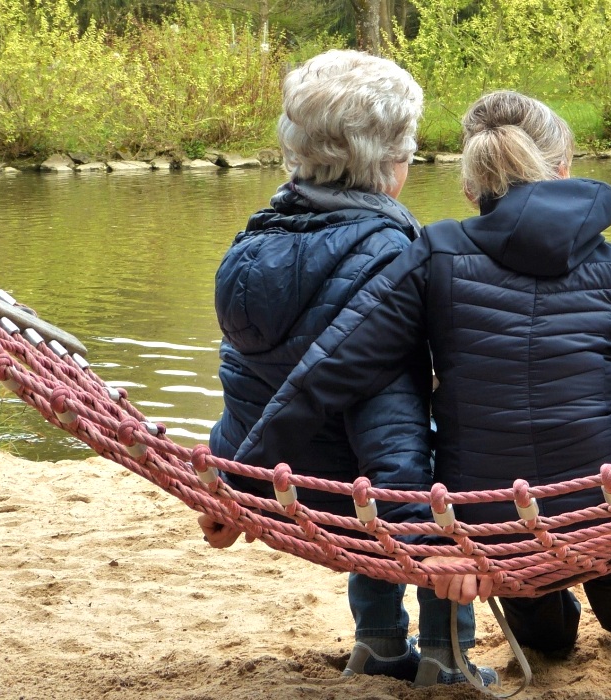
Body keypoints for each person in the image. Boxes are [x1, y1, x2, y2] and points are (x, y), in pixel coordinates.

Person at [233, 90, 611, 656]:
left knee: (546, 640)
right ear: (563, 169)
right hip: (603, 504)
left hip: (490, 524)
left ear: (471, 187)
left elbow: (331, 372)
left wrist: (242, 480)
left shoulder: (433, 254)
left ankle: (554, 614)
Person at [198, 49, 491, 687]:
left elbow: (247, 379)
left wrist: (230, 479)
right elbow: (392, 423)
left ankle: (379, 642)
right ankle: (447, 656)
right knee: (452, 459)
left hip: (281, 478)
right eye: (408, 150)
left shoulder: (253, 241)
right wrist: (425, 544)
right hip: (358, 487)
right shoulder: (392, 256)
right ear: (389, 163)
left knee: (368, 469)